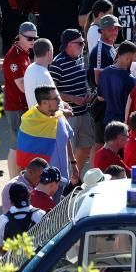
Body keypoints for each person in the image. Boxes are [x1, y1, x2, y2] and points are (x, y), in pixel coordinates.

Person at [50, 29, 95, 171]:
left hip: (84, 112)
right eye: (80, 43)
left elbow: (83, 80)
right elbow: (52, 91)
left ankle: (74, 179)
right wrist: (73, 99)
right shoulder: (57, 63)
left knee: (87, 145)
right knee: (66, 152)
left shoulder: (80, 57)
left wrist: (87, 91)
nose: (83, 46)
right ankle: (66, 180)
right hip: (68, 116)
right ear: (69, 44)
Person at [3, 22, 37, 176]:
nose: (33, 41)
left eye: (35, 38)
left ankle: (16, 178)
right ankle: (13, 179)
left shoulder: (23, 52)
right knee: (15, 146)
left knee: (20, 144)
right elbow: (22, 86)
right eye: (29, 38)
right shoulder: (15, 56)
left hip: (21, 105)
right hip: (15, 106)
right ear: (20, 36)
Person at [0, 183, 45, 253]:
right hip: (39, 261)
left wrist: (10, 258)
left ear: (10, 200)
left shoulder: (3, 219)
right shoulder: (41, 214)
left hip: (15, 262)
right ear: (29, 195)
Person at [98, 40, 136, 124]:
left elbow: (100, 97)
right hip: (124, 124)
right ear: (128, 58)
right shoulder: (129, 79)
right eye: (135, 58)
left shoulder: (104, 72)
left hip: (108, 122)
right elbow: (134, 103)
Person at [23, 39, 55, 109]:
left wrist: (62, 103)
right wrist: (65, 112)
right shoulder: (44, 75)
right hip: (43, 119)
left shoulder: (29, 69)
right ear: (49, 52)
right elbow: (49, 106)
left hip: (34, 116)